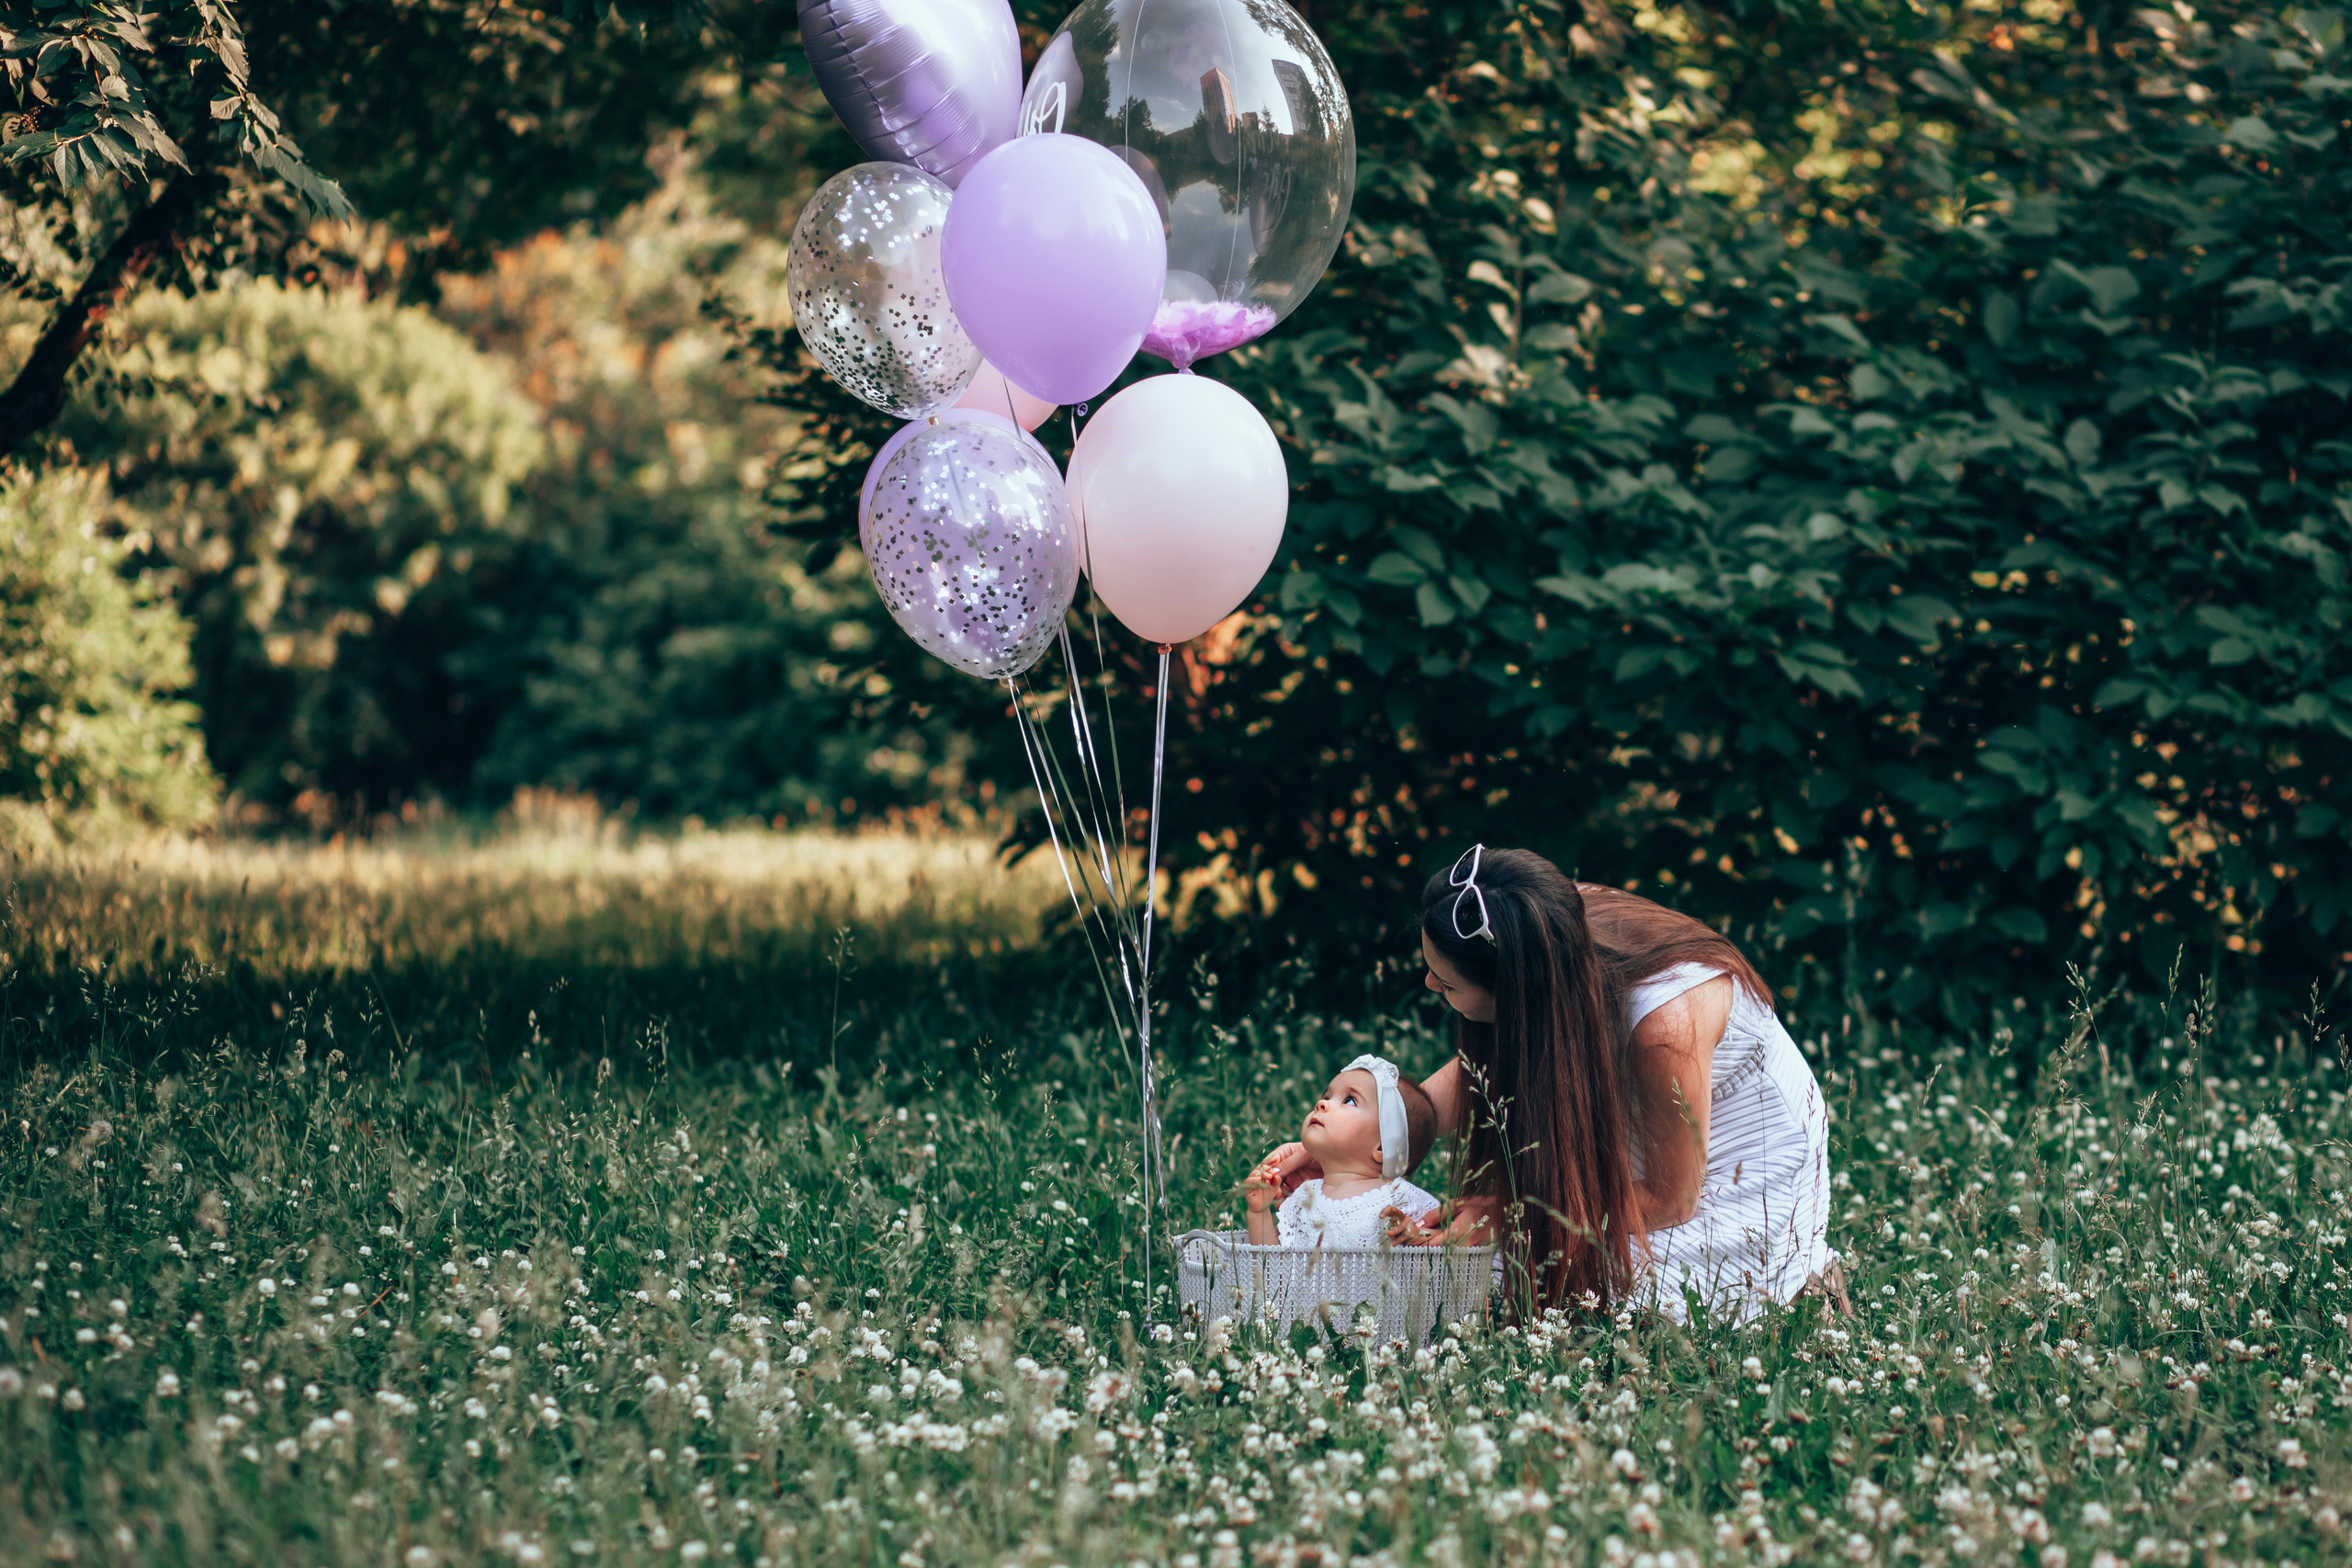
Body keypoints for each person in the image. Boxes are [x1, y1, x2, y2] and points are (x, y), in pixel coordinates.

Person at [1259, 846, 1844, 1320]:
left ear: (1516, 990)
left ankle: (1805, 1282)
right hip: (1644, 1108)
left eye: (1448, 983)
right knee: (1484, 1270)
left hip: (1740, 1151)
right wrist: (1350, 1151)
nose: (1432, 988)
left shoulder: (1666, 1027)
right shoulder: (1539, 924)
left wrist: (1510, 1212)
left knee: (1590, 1293)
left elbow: (1671, 1197)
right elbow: (1459, 1088)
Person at [1240, 1055, 1440, 1249]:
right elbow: (1275, 1265)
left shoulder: (1401, 1197)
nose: (1322, 1104)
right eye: (1326, 1096)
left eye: (1350, 1100)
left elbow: (1449, 1241)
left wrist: (1420, 1234)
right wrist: (1259, 1213)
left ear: (1382, 1147)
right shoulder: (1304, 1198)